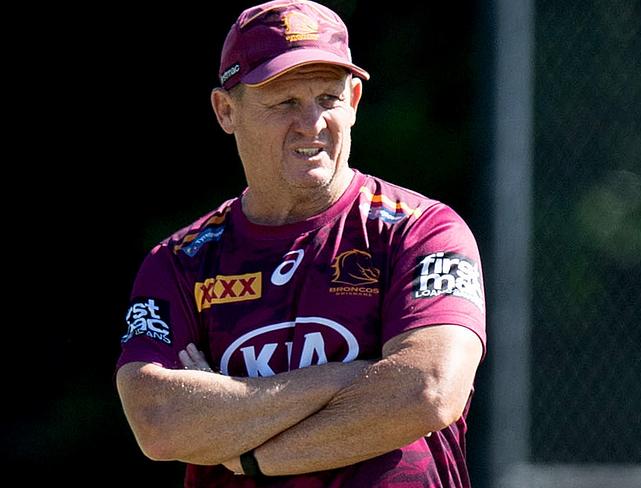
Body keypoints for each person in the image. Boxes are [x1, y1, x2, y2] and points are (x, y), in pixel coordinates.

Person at [115, 1, 486, 486]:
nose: (311, 122)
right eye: (285, 101)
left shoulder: (420, 230)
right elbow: (158, 420)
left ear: (354, 101)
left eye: (328, 99)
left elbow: (428, 390)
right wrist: (350, 376)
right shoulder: (183, 262)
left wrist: (251, 452)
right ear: (226, 110)